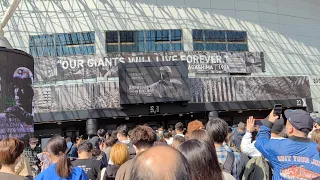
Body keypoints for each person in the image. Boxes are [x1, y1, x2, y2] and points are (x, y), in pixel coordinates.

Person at [255, 109, 320, 179]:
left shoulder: (277, 146)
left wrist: (269, 122)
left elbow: (260, 142)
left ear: (290, 129)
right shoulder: (317, 149)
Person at [0, 67, 34, 140]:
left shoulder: (34, 114)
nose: (18, 92)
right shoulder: (7, 115)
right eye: (16, 87)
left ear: (30, 91)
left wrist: (24, 115)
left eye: (22, 87)